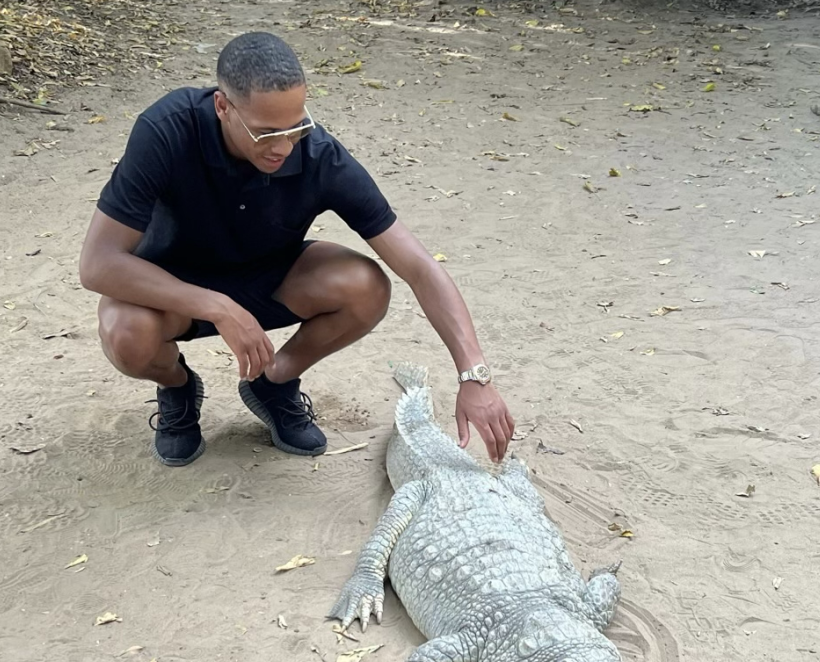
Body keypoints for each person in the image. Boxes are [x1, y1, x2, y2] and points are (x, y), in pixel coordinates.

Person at [78, 31, 515, 467]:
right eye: (266, 133)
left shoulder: (318, 154)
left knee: (366, 286)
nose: (285, 147)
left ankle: (274, 383)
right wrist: (217, 307)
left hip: (270, 279)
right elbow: (98, 264)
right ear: (223, 107)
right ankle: (177, 387)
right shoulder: (167, 130)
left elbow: (418, 266)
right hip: (173, 288)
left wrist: (474, 374)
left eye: (296, 126)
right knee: (125, 332)